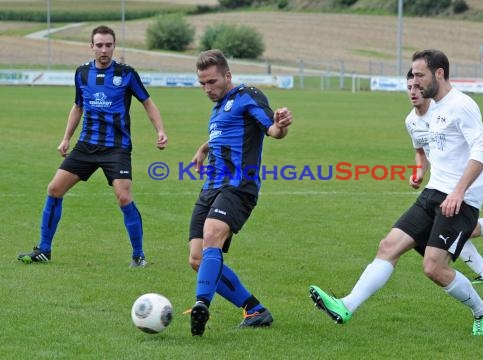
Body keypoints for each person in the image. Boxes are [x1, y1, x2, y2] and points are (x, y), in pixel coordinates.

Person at [309, 49, 483, 336]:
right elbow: (432, 150)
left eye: (420, 76)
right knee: (388, 247)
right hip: (433, 193)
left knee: (433, 268)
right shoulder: (430, 110)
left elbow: (481, 150)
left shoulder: (462, 104)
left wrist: (458, 192)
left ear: (439, 73)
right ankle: (346, 305)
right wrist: (421, 172)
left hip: (460, 200)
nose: (415, 83)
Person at [17, 25, 168, 267]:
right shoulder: (82, 73)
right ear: (91, 47)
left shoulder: (127, 74)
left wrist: (160, 130)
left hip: (116, 148)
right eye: (99, 45)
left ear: (114, 46)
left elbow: (147, 103)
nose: (104, 49)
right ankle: (44, 249)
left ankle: (138, 256)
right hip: (86, 145)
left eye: (108, 45)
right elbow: (78, 106)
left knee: (123, 197)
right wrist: (66, 137)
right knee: (54, 189)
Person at [186, 49, 292, 336]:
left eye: (212, 82)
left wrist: (280, 125)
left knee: (212, 237)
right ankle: (255, 309)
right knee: (197, 258)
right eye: (202, 84)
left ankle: (201, 305)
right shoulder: (218, 107)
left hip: (238, 186)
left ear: (227, 76)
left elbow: (271, 129)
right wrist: (203, 148)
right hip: (210, 188)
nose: (207, 89)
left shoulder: (248, 96)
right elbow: (223, 133)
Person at [404, 69, 483, 285]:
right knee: (452, 232)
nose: (413, 92)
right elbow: (421, 150)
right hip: (438, 184)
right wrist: (420, 172)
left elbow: (475, 143)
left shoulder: (447, 109)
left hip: (462, 182)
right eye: (409, 87)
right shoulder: (411, 121)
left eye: (418, 87)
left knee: (451, 231)